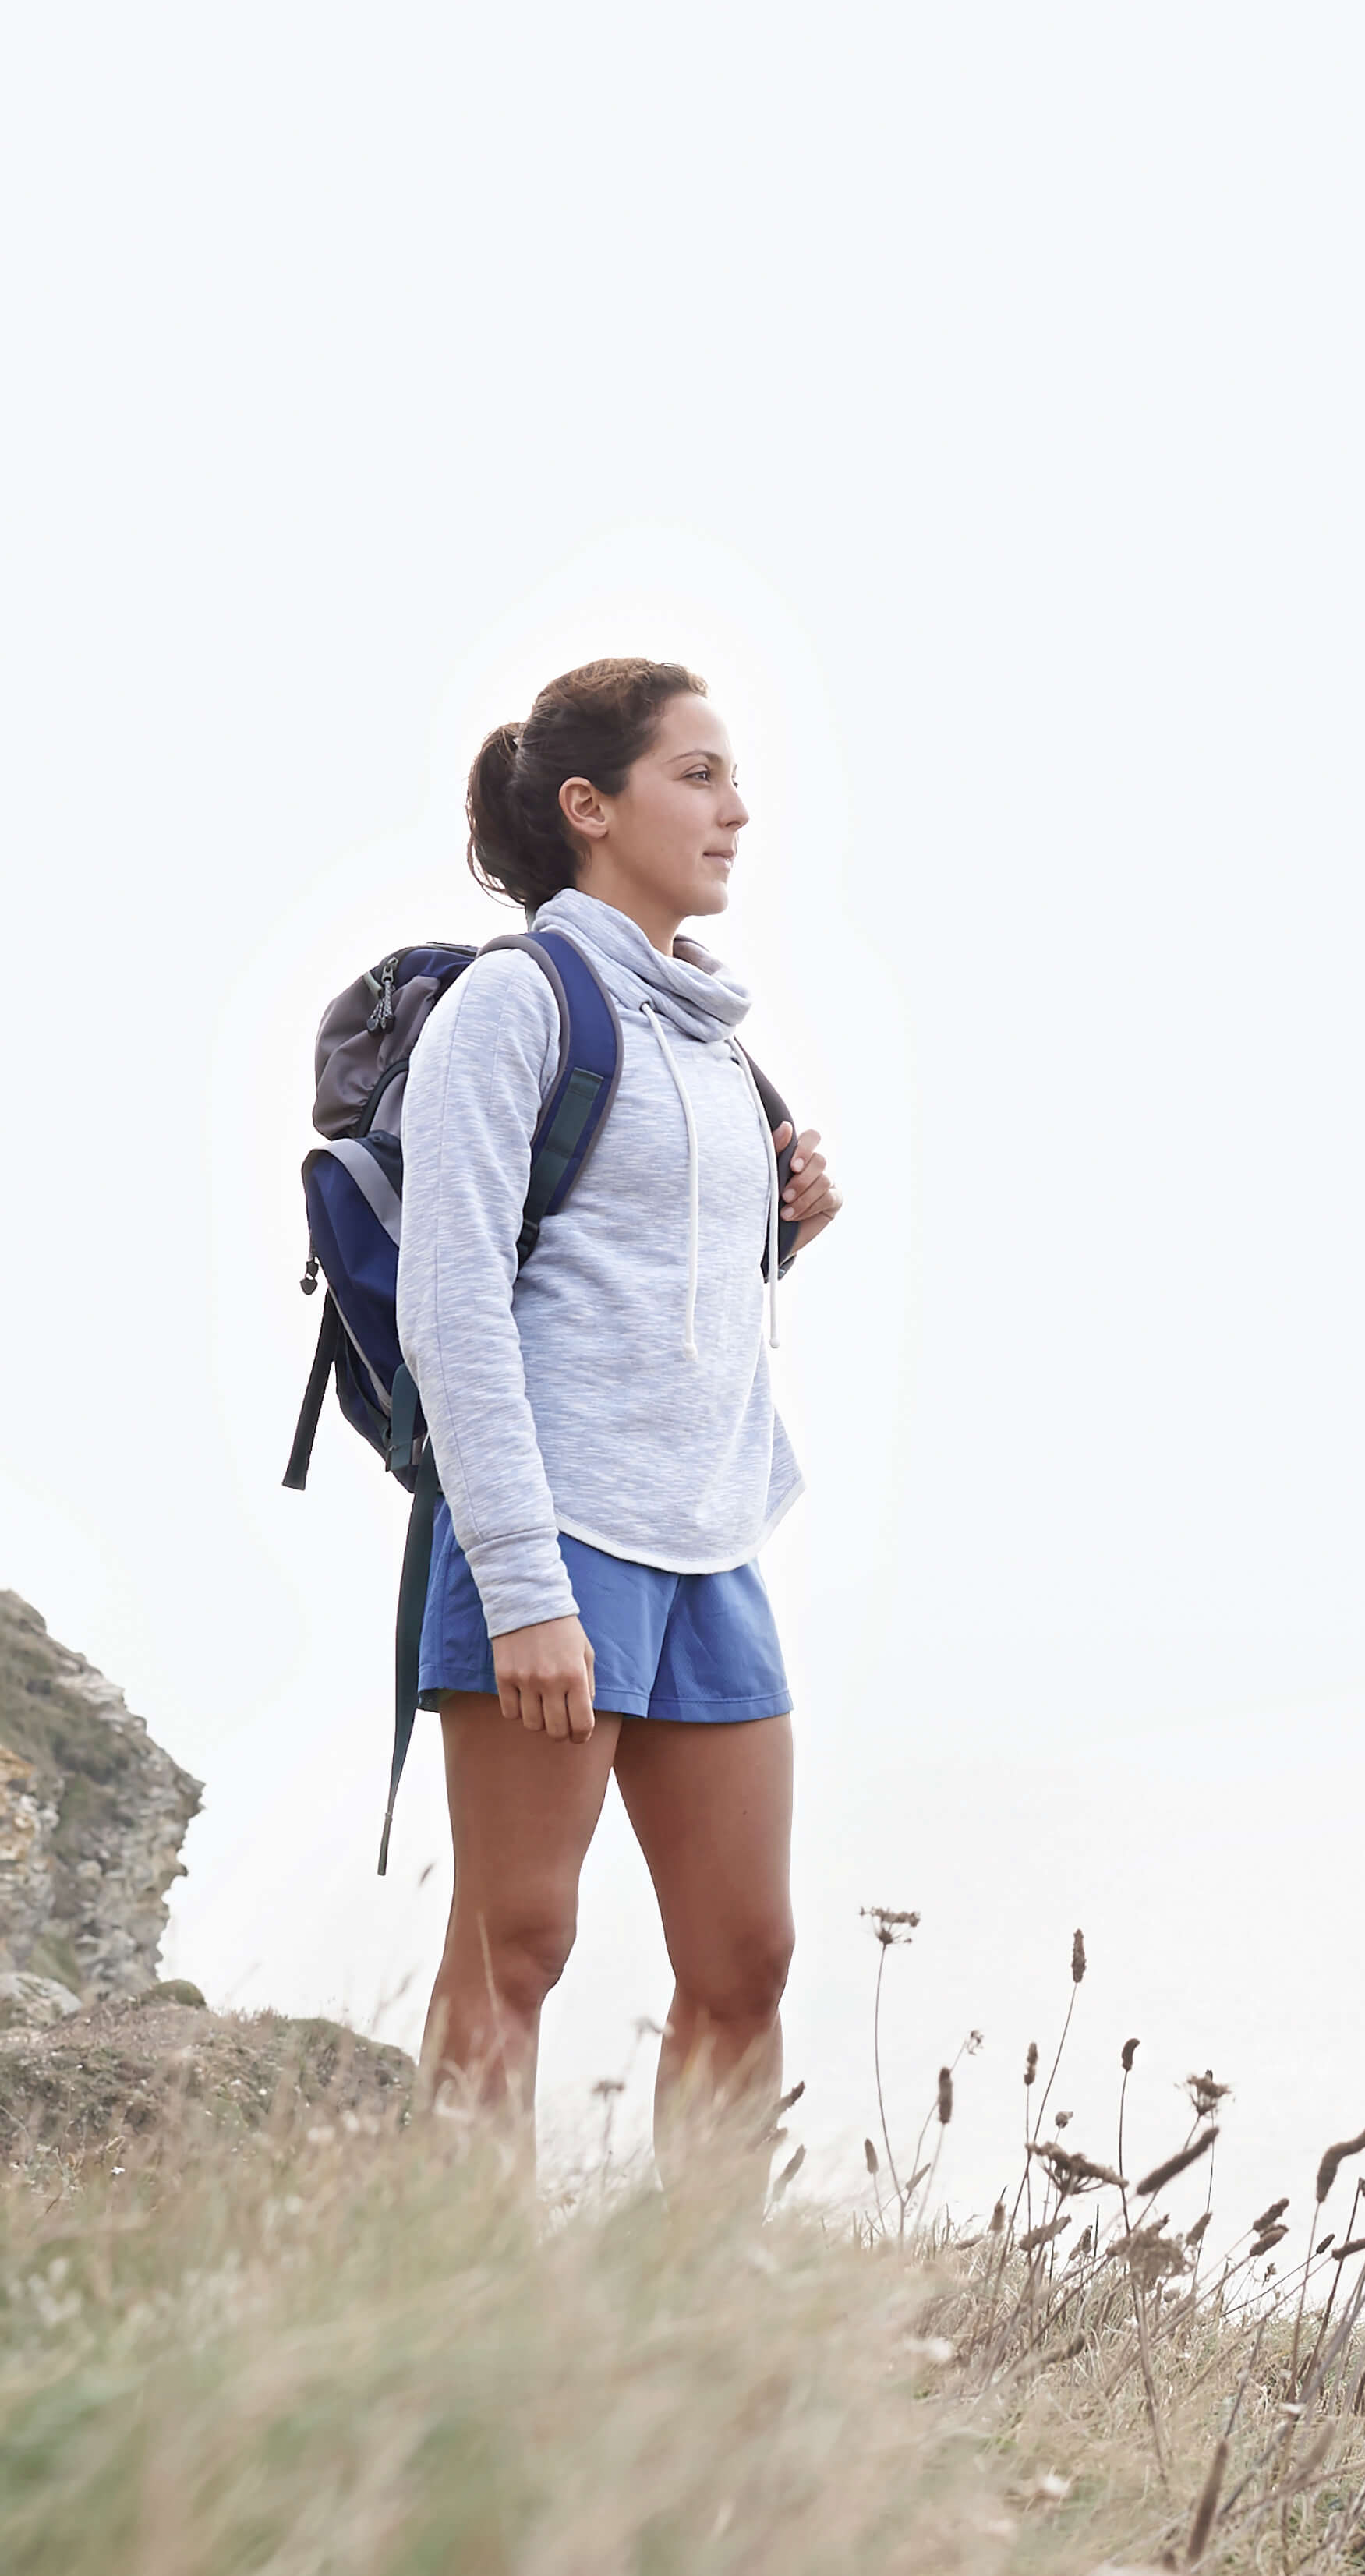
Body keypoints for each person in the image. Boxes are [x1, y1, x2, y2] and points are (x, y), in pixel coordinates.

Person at [391, 656, 840, 2173]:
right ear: (589, 808)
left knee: (746, 1958)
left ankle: (697, 2331)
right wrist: (519, 1584)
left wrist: (790, 1226)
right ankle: (463, 2316)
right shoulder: (512, 1006)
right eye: (695, 775)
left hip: (711, 1543)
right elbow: (450, 1304)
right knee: (516, 1940)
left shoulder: (716, 1042)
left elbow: (642, 1277)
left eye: (733, 775)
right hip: (554, 1533)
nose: (733, 808)